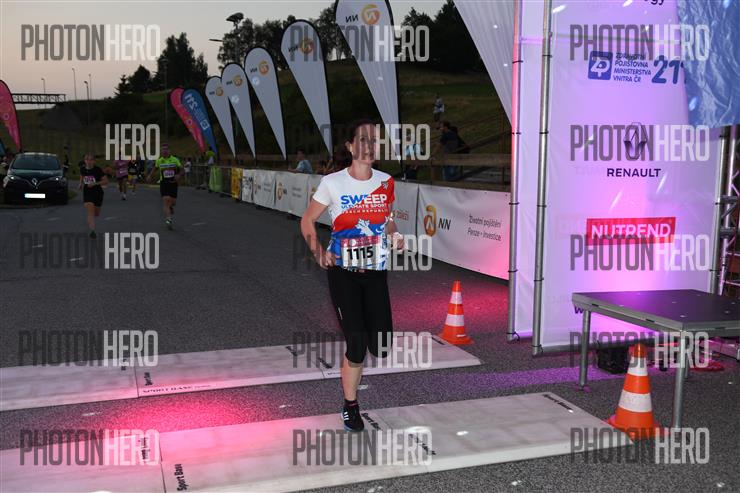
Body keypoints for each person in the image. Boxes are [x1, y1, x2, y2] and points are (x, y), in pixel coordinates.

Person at [300, 119, 404, 432]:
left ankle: (363, 358)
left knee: (381, 345)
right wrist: (319, 252)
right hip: (343, 273)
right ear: (350, 146)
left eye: (375, 141)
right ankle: (351, 405)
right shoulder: (333, 183)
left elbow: (388, 220)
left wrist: (395, 234)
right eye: (363, 140)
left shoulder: (386, 182)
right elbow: (307, 221)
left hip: (376, 273)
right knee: (356, 343)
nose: (370, 146)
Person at [147, 143, 183, 230]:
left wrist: (179, 175)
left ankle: (170, 206)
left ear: (169, 150)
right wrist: (150, 176)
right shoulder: (159, 161)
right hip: (164, 183)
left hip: (173, 183)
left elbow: (182, 170)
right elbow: (155, 169)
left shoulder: (175, 160)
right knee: (166, 200)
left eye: (166, 149)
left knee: (173, 202)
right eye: (163, 149)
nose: (165, 151)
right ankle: (168, 219)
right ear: (161, 151)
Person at [78, 154, 108, 238]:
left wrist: (95, 183)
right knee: (90, 211)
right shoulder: (82, 169)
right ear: (84, 161)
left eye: (91, 160)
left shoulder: (98, 170)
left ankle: (91, 220)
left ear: (94, 161)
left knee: (96, 213)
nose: (89, 162)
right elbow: (82, 176)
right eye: (87, 160)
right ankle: (92, 230)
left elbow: (106, 181)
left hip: (98, 193)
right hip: (87, 193)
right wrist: (80, 183)